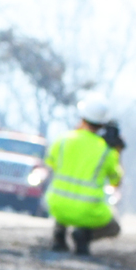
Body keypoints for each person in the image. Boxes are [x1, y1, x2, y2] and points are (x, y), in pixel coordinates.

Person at [44, 93, 124, 255]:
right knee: (114, 227)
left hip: (57, 205)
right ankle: (84, 235)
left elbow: (49, 164)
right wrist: (117, 152)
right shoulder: (106, 150)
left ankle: (59, 233)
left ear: (82, 117)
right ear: (103, 125)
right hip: (89, 210)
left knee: (64, 206)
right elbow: (116, 181)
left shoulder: (63, 140)